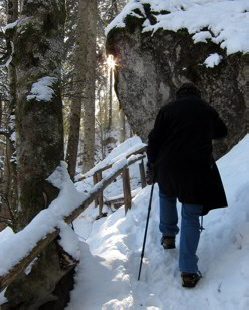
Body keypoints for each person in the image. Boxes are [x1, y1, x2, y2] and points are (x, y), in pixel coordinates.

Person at [146, 82, 228, 288]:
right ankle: (188, 271)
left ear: (178, 95)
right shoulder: (206, 110)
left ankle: (168, 235)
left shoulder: (167, 110)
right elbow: (221, 132)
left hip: (168, 165)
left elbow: (154, 139)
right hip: (195, 169)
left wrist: (152, 162)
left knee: (166, 195)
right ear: (197, 95)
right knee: (191, 215)